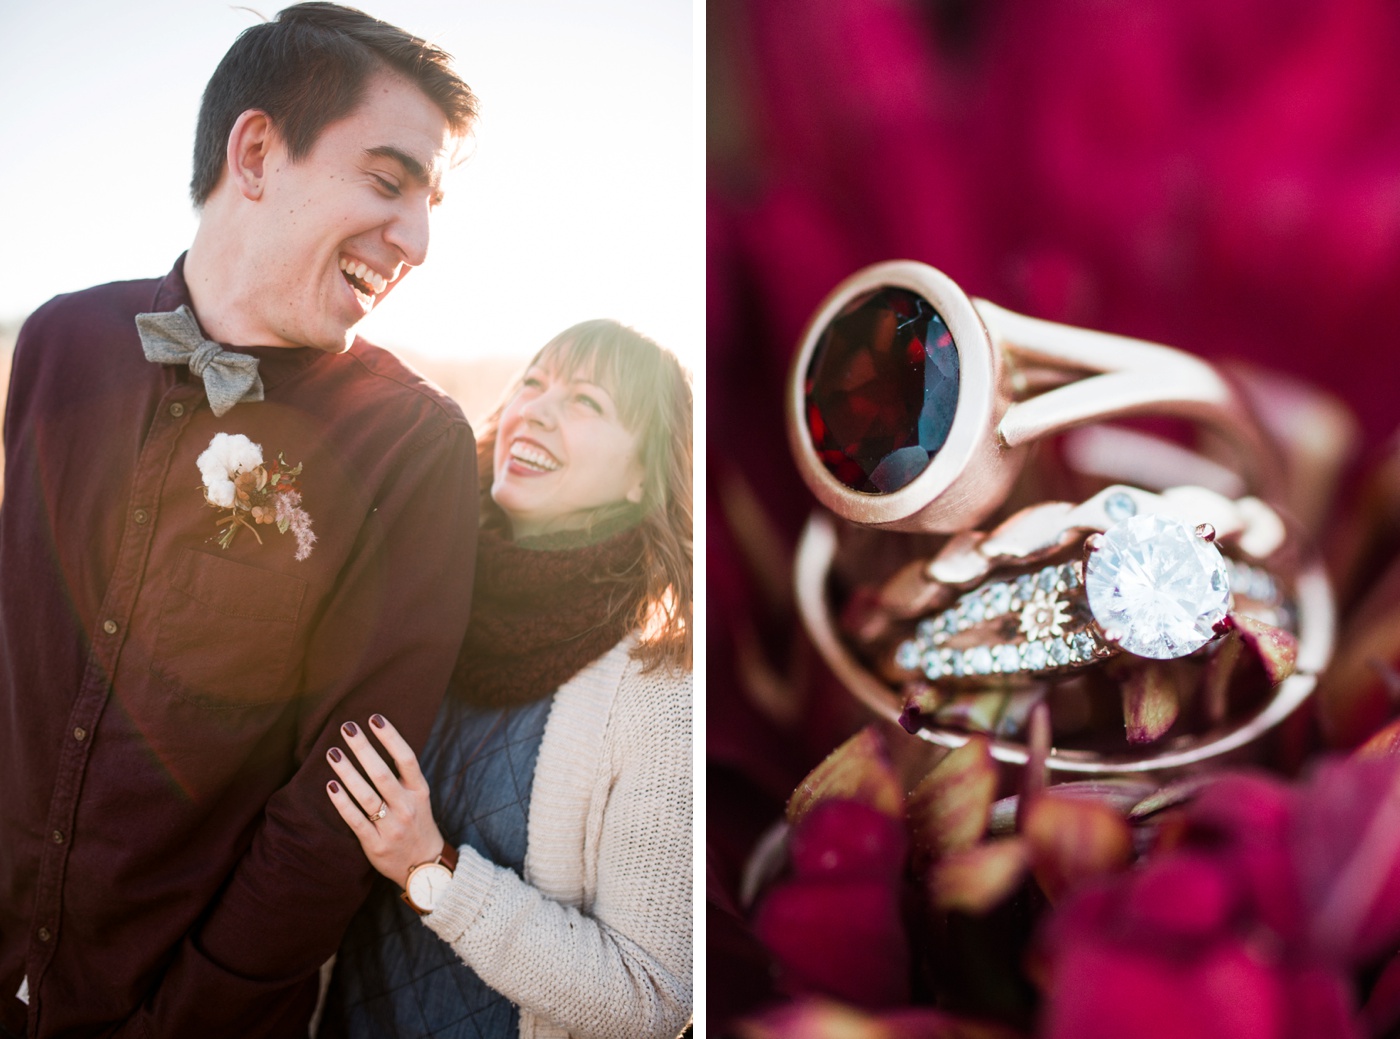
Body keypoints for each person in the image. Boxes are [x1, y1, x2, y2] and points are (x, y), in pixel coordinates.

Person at [0, 5, 480, 1036]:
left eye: (429, 203)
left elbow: (334, 809)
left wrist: (183, 1020)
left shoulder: (410, 446)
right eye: (388, 182)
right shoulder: (57, 342)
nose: (419, 240)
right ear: (256, 152)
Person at [318, 320, 693, 1038]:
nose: (538, 410)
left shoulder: (658, 688)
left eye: (586, 401)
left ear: (644, 473)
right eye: (533, 382)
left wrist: (430, 868)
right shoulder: (427, 600)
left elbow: (652, 995)